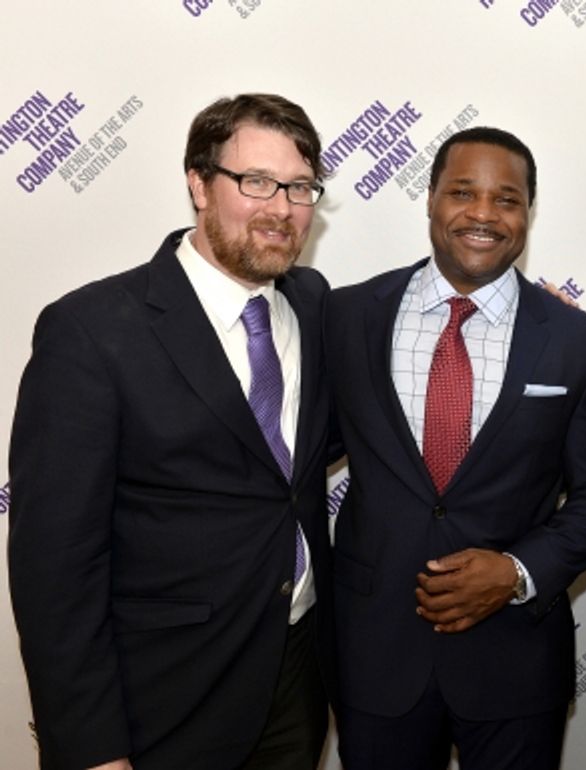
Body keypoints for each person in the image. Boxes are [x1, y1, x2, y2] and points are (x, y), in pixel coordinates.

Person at [8, 93, 334, 769]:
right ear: (198, 183)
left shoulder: (313, 303)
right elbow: (54, 571)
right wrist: (92, 748)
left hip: (296, 679)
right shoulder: (91, 332)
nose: (281, 208)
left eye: (299, 187)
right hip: (159, 702)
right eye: (256, 182)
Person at [325, 126, 586, 770]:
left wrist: (517, 572)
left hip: (515, 661)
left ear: (528, 214)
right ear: (428, 200)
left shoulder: (575, 339)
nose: (483, 213)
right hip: (375, 654)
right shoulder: (346, 318)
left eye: (506, 199)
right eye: (462, 192)